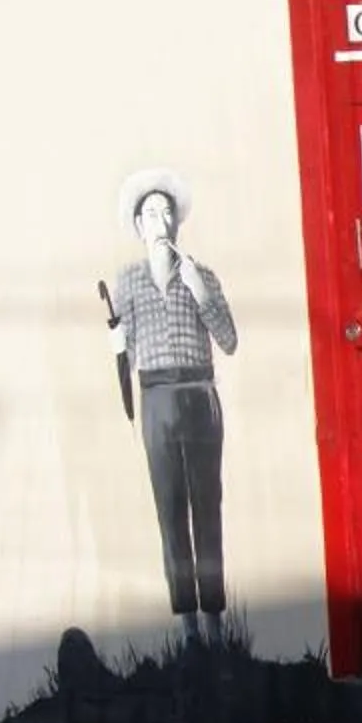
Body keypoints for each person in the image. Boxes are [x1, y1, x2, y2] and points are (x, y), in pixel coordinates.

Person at [109, 169, 239, 648]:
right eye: (150, 214)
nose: (160, 221)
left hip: (199, 395)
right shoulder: (129, 282)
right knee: (170, 508)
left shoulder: (200, 274)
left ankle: (214, 620)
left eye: (166, 212)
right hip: (157, 397)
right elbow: (126, 349)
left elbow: (228, 339)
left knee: (208, 505)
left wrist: (200, 292)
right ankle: (186, 622)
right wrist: (118, 343)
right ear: (139, 226)